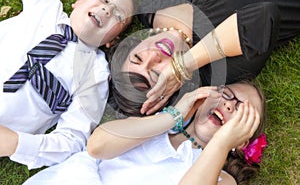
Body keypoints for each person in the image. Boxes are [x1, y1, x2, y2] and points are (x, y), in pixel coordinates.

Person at [109, 0, 300, 116]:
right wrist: (183, 66)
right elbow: (264, 16)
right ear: (167, 92)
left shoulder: (152, 6)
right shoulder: (219, 68)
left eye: (137, 58)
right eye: (156, 74)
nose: (153, 56)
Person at [0, 0, 135, 169]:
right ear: (79, 1)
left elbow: (72, 138)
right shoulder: (45, 8)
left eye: (118, 15)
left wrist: (15, 144)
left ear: (112, 40)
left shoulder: (96, 74)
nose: (107, 10)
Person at [23, 81, 267, 185]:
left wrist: (222, 143)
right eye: (227, 94)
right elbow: (97, 146)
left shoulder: (221, 179)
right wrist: (172, 116)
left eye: (243, 112)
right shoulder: (157, 127)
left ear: (243, 141)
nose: (228, 105)